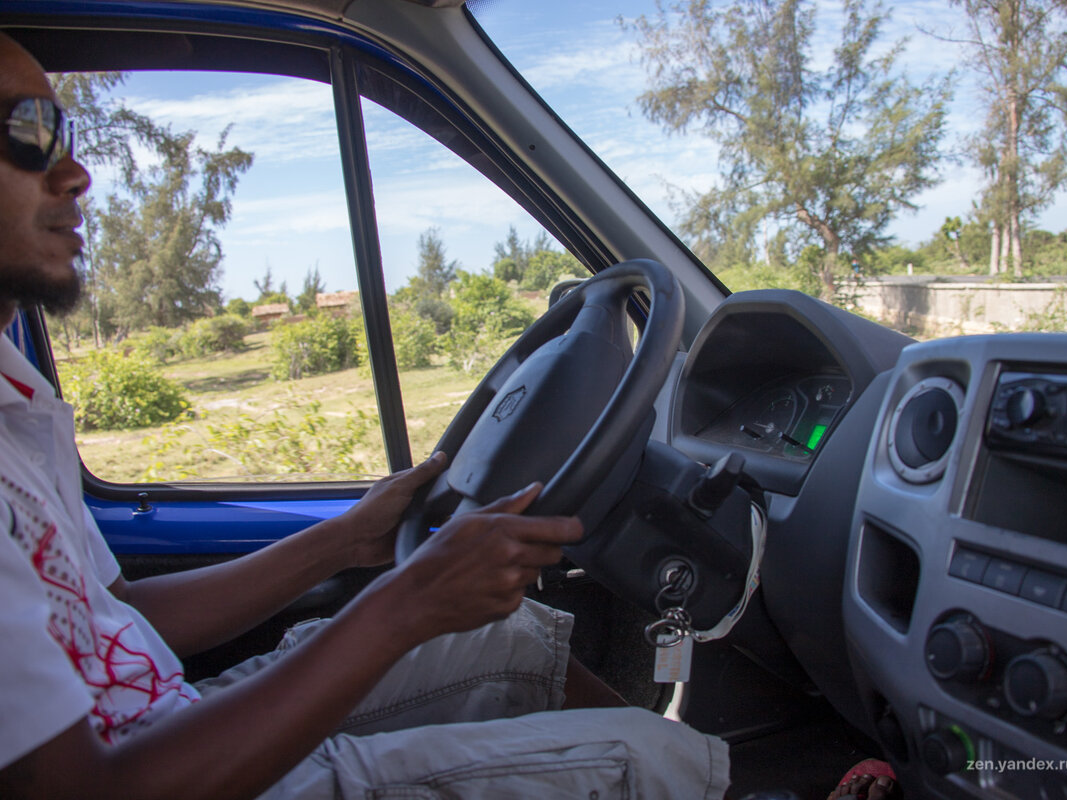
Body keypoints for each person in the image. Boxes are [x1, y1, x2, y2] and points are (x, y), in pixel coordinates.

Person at [0, 32, 730, 799]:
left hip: (164, 718)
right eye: (27, 133)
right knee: (646, 758)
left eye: (65, 133)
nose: (75, 173)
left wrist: (346, 540)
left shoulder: (18, 404)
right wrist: (403, 605)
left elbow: (112, 617)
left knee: (505, 637)